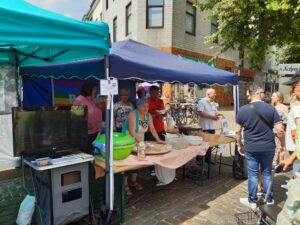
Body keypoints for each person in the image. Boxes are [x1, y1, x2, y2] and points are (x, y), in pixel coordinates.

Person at [236, 85, 285, 209]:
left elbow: (237, 131)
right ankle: (269, 199)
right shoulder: (271, 109)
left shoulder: (242, 110)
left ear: (251, 94)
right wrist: (283, 145)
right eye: (263, 92)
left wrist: (239, 144)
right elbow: (280, 130)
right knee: (267, 172)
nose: (265, 94)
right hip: (268, 146)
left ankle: (252, 201)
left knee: (253, 174)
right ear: (258, 93)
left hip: (251, 147)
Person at [122, 97, 164, 195]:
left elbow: (152, 129)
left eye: (147, 106)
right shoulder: (133, 114)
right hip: (128, 140)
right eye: (144, 106)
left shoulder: (148, 115)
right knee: (129, 163)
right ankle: (125, 185)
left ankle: (133, 181)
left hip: (140, 140)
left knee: (137, 161)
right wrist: (142, 143)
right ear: (138, 107)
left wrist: (158, 140)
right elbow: (132, 131)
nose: (146, 108)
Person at [73, 81, 102, 154]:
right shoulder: (79, 100)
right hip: (86, 133)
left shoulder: (92, 99)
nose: (96, 91)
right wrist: (86, 124)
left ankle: (92, 164)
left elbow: (98, 110)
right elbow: (75, 116)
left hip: (96, 131)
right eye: (94, 89)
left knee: (93, 152)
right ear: (88, 89)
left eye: (96, 89)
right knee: (86, 152)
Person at [280, 75, 300, 173]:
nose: (292, 92)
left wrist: (291, 158)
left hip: (296, 148)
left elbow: (297, 133)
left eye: (293, 87)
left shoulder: (297, 108)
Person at [197, 88, 220, 163]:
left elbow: (216, 113)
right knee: (202, 143)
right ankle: (199, 159)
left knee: (209, 143)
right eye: (214, 93)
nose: (215, 94)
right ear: (208, 94)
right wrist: (212, 117)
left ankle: (208, 159)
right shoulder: (202, 102)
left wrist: (217, 116)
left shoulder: (214, 103)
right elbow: (200, 113)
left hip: (211, 127)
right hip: (204, 127)